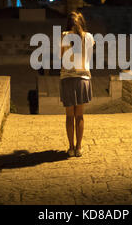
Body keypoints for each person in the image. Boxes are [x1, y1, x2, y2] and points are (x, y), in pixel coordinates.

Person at [59, 11, 94, 157]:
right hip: (83, 79)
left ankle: (71, 148)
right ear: (82, 23)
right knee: (79, 116)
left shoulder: (64, 36)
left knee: (69, 117)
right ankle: (79, 148)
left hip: (67, 79)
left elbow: (61, 56)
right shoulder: (90, 37)